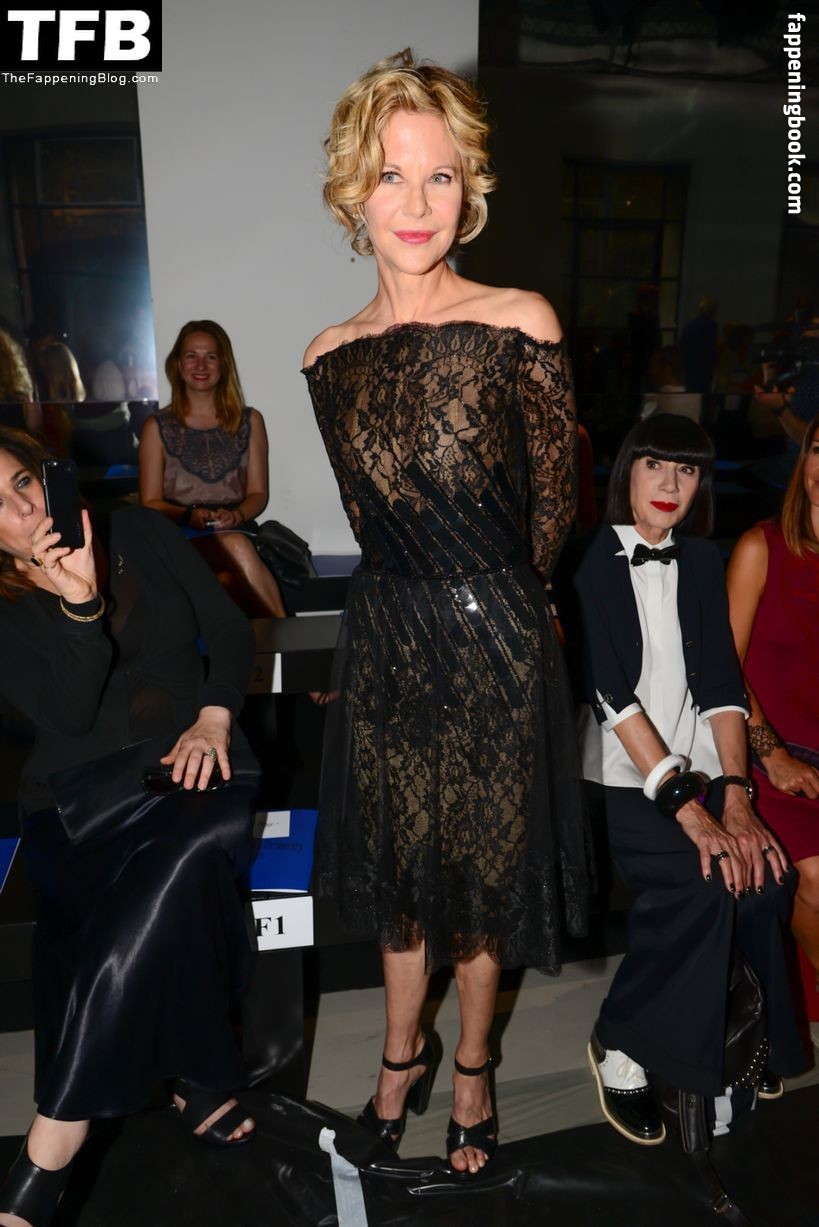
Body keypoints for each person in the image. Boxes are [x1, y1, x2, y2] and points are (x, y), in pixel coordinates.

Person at [302, 50, 587, 1177]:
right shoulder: (328, 357)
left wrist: (500, 608)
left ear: (469, 189)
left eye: (440, 175)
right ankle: (397, 1058)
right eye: (391, 175)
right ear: (353, 193)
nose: (416, 203)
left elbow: (553, 510)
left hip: (494, 634)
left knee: (478, 878)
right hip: (387, 639)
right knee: (400, 879)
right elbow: (373, 519)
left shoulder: (521, 321)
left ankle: (469, 1066)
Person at [0, 427, 259, 1227]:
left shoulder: (139, 528)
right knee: (161, 880)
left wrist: (214, 718)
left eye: (21, 481)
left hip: (193, 758)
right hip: (73, 804)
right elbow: (69, 713)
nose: (21, 508)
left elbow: (231, 630)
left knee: (190, 844)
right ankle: (196, 1070)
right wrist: (79, 605)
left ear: (46, 474)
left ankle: (53, 1140)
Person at [574, 414, 804, 1147]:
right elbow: (611, 694)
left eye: (687, 469)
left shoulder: (701, 559)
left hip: (699, 772)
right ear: (628, 471)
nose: (670, 484)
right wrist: (686, 804)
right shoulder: (588, 557)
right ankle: (621, 1040)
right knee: (703, 881)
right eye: (655, 464)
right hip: (618, 777)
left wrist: (736, 794)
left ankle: (743, 1031)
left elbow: (722, 687)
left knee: (766, 874)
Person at [727, 415, 819, 973]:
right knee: (817, 880)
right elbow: (723, 670)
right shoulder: (760, 548)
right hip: (772, 770)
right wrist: (773, 754)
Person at [139, 320, 287, 617]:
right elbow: (150, 502)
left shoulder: (251, 421)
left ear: (223, 364)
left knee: (232, 564)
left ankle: (274, 639)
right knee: (236, 549)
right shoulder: (156, 426)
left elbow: (258, 494)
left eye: (210, 356)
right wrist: (188, 515)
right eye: (191, 355)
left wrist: (236, 516)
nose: (200, 365)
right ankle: (285, 633)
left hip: (237, 526)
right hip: (178, 535)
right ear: (178, 364)